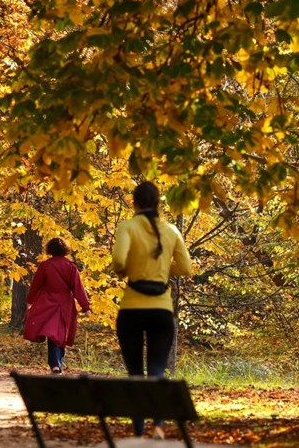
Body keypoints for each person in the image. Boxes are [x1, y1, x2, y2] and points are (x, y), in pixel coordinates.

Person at [112, 181, 193, 440]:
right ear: (159, 203)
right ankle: (158, 424)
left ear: (134, 202)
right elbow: (185, 268)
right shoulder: (170, 231)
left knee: (135, 372)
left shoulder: (128, 227)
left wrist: (128, 270)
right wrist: (160, 271)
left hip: (132, 308)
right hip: (161, 310)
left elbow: (118, 261)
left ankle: (137, 430)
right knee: (156, 369)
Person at [23, 237, 91, 373]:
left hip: (47, 303)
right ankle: (56, 363)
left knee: (52, 333)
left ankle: (56, 363)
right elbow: (78, 288)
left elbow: (36, 285)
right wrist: (86, 307)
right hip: (65, 303)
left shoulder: (45, 266)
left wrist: (30, 301)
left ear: (50, 249)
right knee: (59, 333)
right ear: (65, 249)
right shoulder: (70, 267)